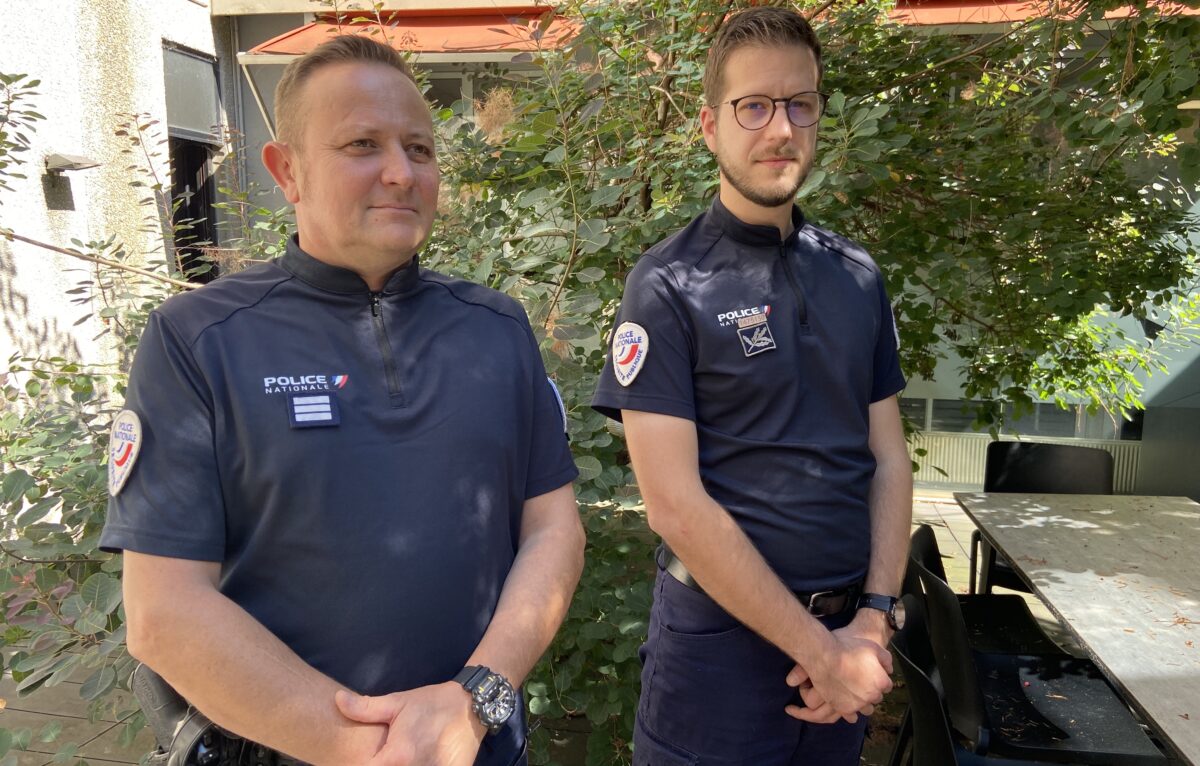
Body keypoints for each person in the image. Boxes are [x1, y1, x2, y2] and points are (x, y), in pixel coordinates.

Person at [102, 35, 584, 766]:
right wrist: (368, 751)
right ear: (286, 170)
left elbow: (554, 532)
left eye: (419, 150)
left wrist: (478, 699)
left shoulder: (497, 330)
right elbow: (164, 613)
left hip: (480, 744)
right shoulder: (198, 341)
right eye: (362, 144)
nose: (400, 172)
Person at [591, 7, 912, 765]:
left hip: (846, 639)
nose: (781, 129)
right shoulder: (667, 285)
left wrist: (873, 620)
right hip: (718, 657)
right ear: (710, 126)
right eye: (755, 107)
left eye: (801, 105)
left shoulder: (856, 276)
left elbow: (890, 460)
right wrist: (824, 654)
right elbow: (674, 506)